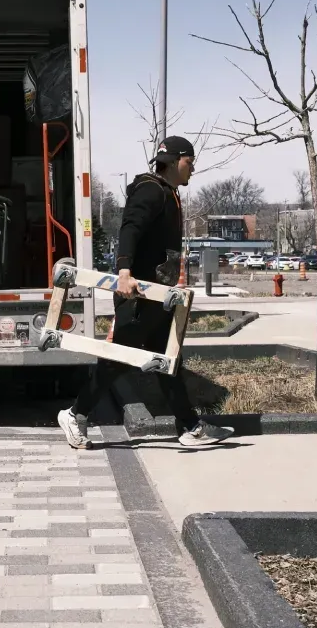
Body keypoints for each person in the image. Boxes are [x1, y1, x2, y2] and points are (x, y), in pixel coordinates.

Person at [57, 136, 228, 449]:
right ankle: (74, 413)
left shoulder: (168, 193)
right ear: (175, 160)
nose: (193, 169)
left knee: (168, 360)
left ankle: (190, 427)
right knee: (115, 361)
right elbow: (130, 228)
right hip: (138, 295)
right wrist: (124, 270)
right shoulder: (151, 190)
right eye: (190, 162)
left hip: (158, 296)